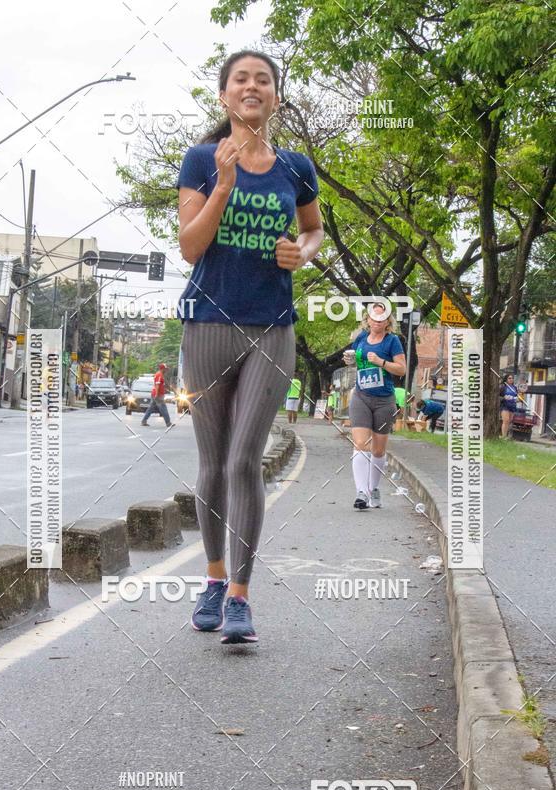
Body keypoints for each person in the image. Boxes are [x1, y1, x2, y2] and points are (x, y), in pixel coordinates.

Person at [175, 49, 324, 644]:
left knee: (244, 461)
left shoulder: (296, 167)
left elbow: (313, 229)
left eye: (263, 79)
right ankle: (212, 580)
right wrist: (224, 185)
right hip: (207, 325)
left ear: (275, 98)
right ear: (225, 96)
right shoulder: (199, 160)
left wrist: (303, 252)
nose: (253, 86)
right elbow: (189, 247)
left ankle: (240, 594)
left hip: (272, 327)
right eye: (242, 79)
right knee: (212, 463)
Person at [343, 303, 406, 510]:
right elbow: (355, 361)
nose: (377, 321)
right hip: (361, 396)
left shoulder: (392, 341)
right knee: (361, 443)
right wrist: (350, 360)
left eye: (382, 318)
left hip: (384, 400)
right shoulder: (361, 338)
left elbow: (401, 370)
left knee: (378, 450)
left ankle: (373, 488)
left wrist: (381, 362)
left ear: (388, 322)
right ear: (368, 320)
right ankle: (361, 493)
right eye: (374, 318)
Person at [141, 363, 172, 427]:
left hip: (156, 394)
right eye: (165, 369)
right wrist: (157, 394)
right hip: (158, 395)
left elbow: (159, 385)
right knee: (163, 408)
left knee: (150, 408)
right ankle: (168, 423)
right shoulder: (159, 375)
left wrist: (164, 390)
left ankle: (144, 421)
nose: (166, 370)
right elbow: (157, 385)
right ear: (162, 369)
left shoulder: (159, 374)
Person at [499, 374, 518, 438]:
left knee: (509, 421)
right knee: (506, 420)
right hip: (505, 405)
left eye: (512, 378)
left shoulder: (514, 388)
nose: (511, 379)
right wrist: (504, 398)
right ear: (506, 379)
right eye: (509, 378)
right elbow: (498, 396)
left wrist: (517, 399)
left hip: (512, 406)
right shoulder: (503, 387)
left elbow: (516, 396)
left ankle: (505, 435)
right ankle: (503, 436)